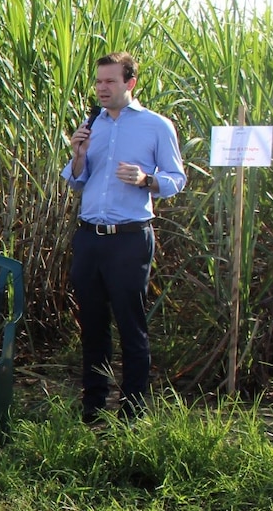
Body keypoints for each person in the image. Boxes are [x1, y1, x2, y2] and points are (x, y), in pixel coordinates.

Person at [62, 52, 187, 421]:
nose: (102, 88)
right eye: (98, 81)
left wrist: (145, 180)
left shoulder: (156, 126)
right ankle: (94, 410)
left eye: (110, 81)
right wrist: (79, 155)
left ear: (130, 83)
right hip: (89, 238)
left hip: (129, 239)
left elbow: (176, 179)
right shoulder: (91, 124)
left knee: (131, 325)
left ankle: (132, 414)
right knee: (93, 326)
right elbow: (76, 180)